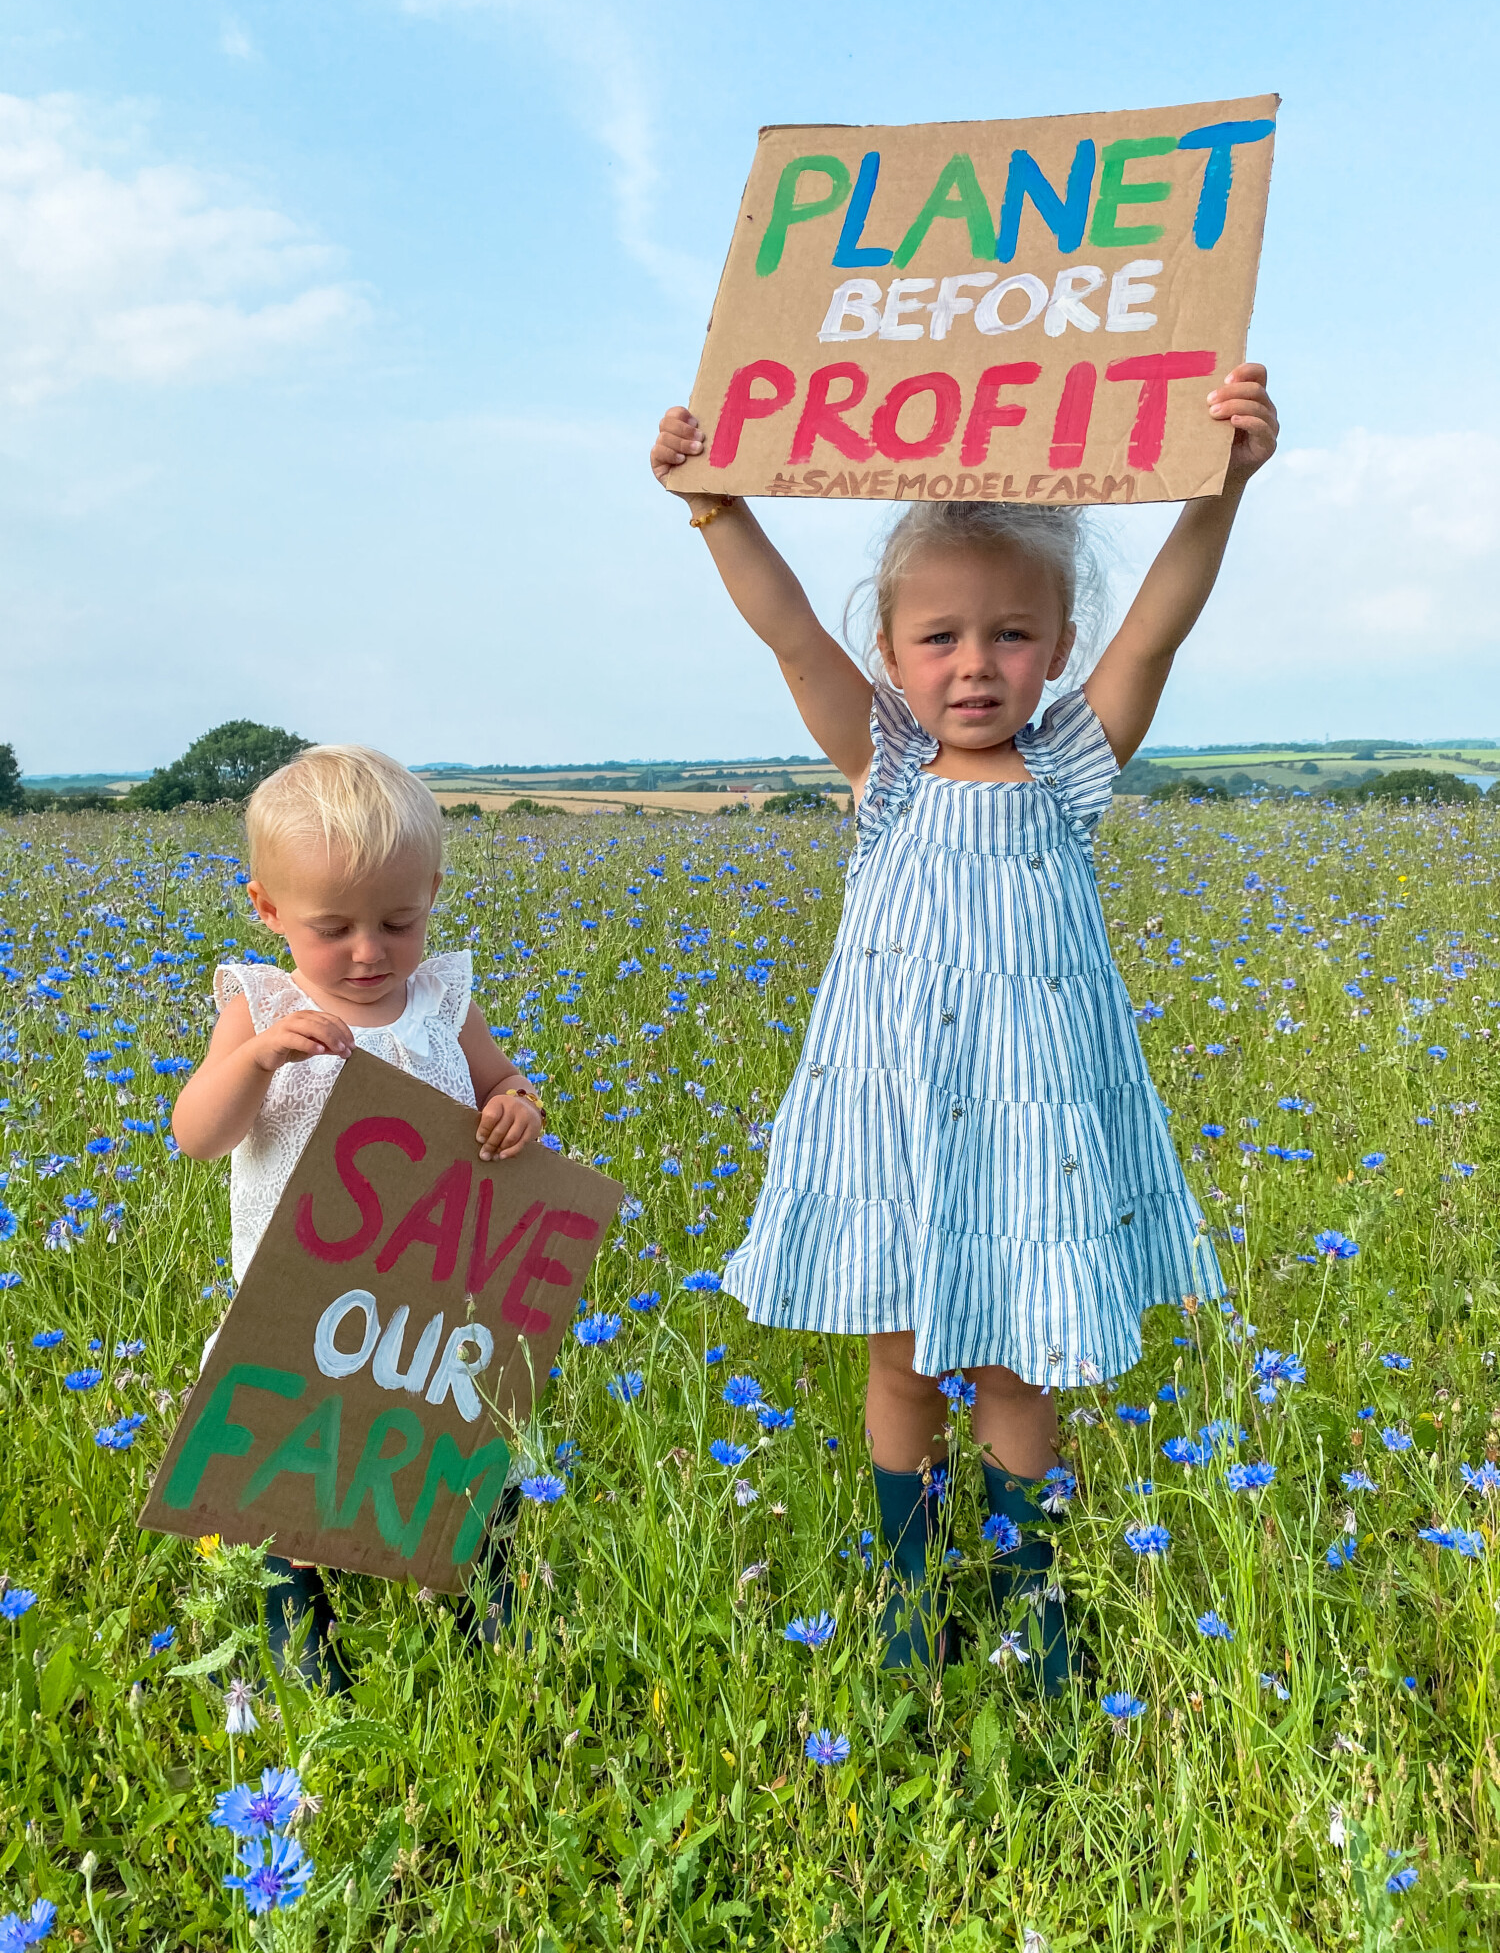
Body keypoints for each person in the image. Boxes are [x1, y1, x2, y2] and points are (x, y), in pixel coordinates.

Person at [651, 366, 1278, 1685]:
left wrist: (1219, 491)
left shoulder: (1068, 765)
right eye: (938, 638)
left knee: (1013, 1361)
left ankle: (1035, 1595)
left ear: (1054, 646)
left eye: (1010, 635)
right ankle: (909, 1587)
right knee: (898, 1350)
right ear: (892, 653)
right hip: (892, 1118)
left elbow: (1156, 632)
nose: (974, 665)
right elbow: (788, 639)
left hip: (1028, 1129)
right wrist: (718, 512)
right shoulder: (881, 769)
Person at [171, 745, 544, 1685]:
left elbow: (504, 1084)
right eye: (334, 927)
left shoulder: (441, 1002)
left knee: (453, 1440)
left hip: (428, 1299)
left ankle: (476, 1596)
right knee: (287, 1464)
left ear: (433, 893)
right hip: (298, 1296)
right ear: (266, 909)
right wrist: (256, 1063)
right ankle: (299, 1625)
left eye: (398, 920)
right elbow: (197, 1136)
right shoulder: (259, 1006)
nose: (371, 951)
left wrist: (517, 1108)